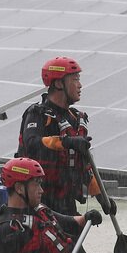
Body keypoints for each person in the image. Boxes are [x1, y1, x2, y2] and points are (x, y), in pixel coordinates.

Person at [16, 56, 118, 217]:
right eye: (75, 79)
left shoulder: (76, 120)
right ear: (58, 83)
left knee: (74, 240)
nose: (80, 85)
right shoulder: (37, 114)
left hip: (66, 203)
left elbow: (84, 166)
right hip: (38, 204)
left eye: (79, 79)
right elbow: (32, 144)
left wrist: (101, 196)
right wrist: (67, 142)